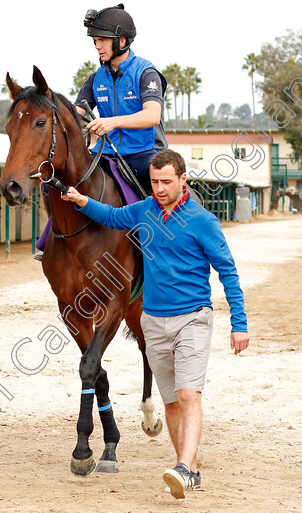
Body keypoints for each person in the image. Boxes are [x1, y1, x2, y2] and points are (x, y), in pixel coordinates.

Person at [60, 149, 249, 499]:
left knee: (188, 394)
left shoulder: (203, 222)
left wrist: (239, 323)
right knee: (172, 403)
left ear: (182, 180)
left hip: (193, 317)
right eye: (154, 182)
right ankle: (188, 468)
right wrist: (82, 200)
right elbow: (114, 216)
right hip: (154, 322)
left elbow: (229, 272)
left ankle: (183, 468)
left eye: (166, 182)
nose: (159, 189)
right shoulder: (145, 211)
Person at [34, 3, 167, 261]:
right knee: (53, 183)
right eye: (95, 41)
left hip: (143, 152)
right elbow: (75, 114)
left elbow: (153, 115)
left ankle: (162, 246)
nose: (97, 46)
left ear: (123, 41)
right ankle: (52, 240)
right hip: (103, 154)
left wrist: (112, 122)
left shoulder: (146, 72)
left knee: (162, 187)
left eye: (102, 40)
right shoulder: (96, 78)